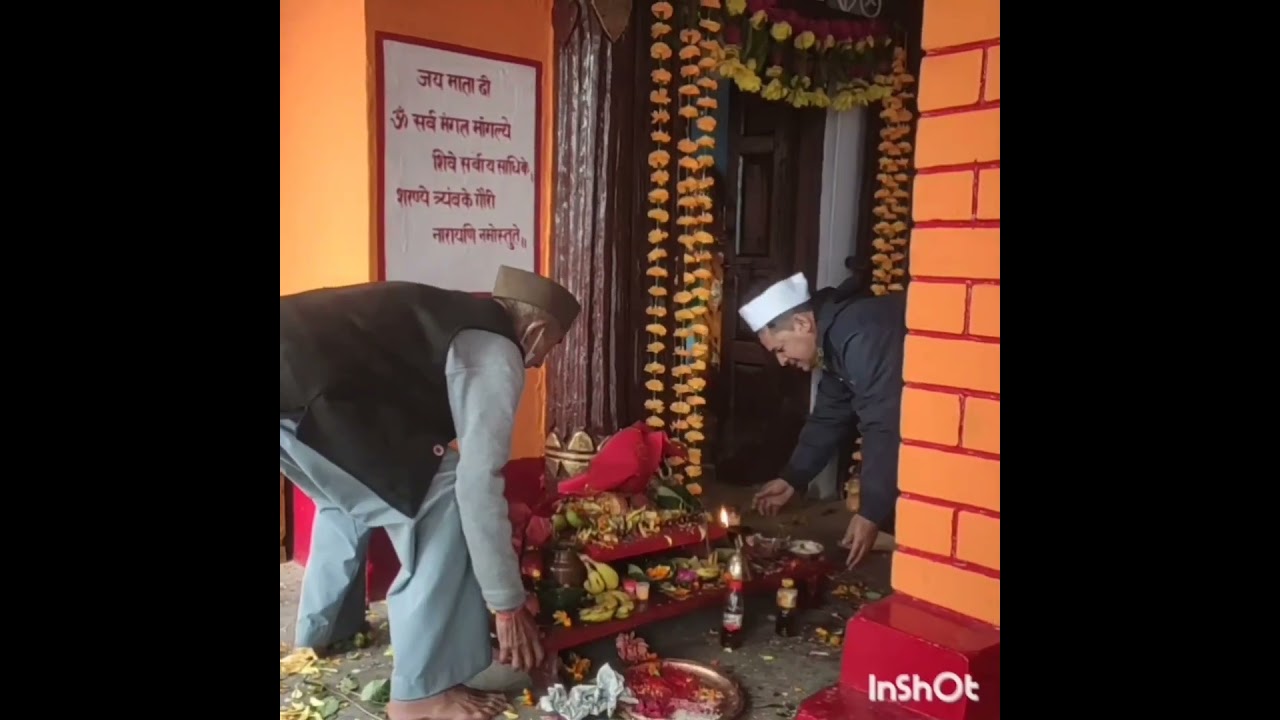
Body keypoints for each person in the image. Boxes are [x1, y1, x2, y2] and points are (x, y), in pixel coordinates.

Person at [280, 266, 581, 720]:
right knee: (442, 498)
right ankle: (421, 696)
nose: (541, 361)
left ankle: (324, 630)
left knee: (346, 499)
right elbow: (479, 484)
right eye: (552, 346)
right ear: (537, 330)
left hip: (294, 388)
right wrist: (506, 602)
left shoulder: (456, 316)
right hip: (311, 395)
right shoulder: (498, 348)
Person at [741, 270, 905, 569]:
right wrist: (793, 477)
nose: (782, 361)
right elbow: (829, 416)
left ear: (802, 323)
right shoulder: (833, 337)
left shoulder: (859, 334)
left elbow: (885, 425)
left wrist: (870, 511)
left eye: (780, 348)